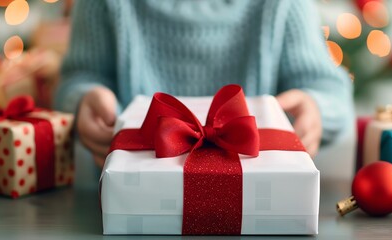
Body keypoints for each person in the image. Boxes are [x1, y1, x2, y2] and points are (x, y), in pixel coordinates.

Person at [55, 0, 353, 168]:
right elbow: (77, 78)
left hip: (263, 205)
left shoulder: (284, 6)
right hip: (126, 203)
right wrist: (83, 99)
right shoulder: (103, 5)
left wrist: (315, 109)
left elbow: (330, 91)